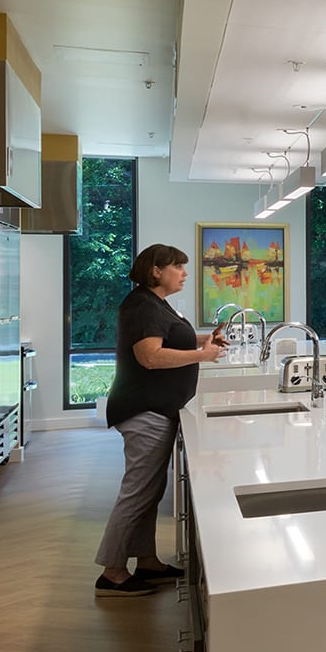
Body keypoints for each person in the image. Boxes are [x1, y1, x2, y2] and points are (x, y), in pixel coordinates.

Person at [95, 243, 227, 597]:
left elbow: (169, 340)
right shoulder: (143, 305)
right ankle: (112, 571)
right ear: (156, 270)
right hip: (144, 411)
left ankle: (147, 561)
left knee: (148, 492)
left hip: (154, 410)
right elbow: (150, 357)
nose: (184, 273)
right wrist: (202, 354)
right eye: (178, 267)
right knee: (137, 492)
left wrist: (203, 340)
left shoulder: (152, 304)